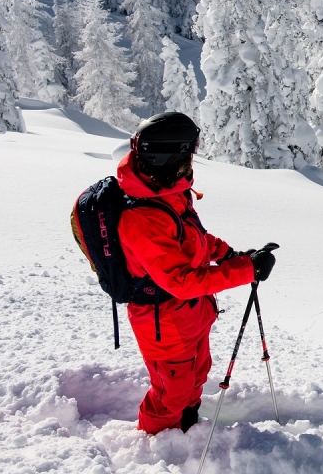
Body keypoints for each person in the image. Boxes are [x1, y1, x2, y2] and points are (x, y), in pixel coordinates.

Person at [115, 111, 276, 434]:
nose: (193, 157)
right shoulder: (142, 218)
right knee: (171, 392)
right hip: (163, 321)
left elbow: (192, 238)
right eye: (190, 150)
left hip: (190, 314)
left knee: (198, 373)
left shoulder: (164, 190)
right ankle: (154, 446)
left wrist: (231, 255)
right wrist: (245, 270)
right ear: (171, 154)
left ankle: (187, 428)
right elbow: (181, 282)